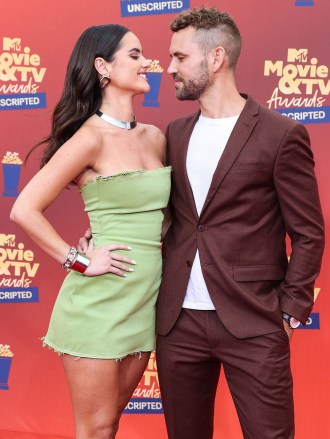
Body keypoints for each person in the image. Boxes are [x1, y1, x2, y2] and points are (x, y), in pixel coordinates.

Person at [154, 7, 325, 439]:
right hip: (178, 323)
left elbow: (308, 232)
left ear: (215, 58)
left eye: (179, 57)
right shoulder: (174, 132)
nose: (169, 67)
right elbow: (170, 219)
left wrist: (289, 312)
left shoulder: (280, 133)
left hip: (254, 320)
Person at [10, 24, 171, 439]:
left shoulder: (155, 138)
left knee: (110, 424)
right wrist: (79, 258)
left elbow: (154, 211)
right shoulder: (88, 139)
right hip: (99, 304)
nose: (146, 63)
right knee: (96, 428)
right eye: (134, 55)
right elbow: (24, 209)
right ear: (103, 66)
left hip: (144, 302)